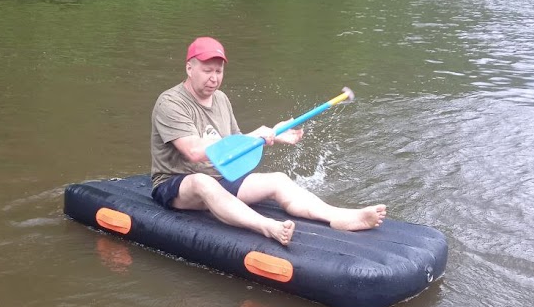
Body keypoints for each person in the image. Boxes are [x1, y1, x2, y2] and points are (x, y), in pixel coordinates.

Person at [150, 37, 386, 246]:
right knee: (202, 181)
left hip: (220, 177)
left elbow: (236, 145)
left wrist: (273, 135)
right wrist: (255, 135)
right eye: (207, 70)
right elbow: (193, 151)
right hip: (176, 185)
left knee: (278, 180)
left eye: (218, 71)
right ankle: (267, 226)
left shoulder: (221, 99)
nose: (214, 78)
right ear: (189, 68)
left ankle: (339, 216)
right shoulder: (170, 103)